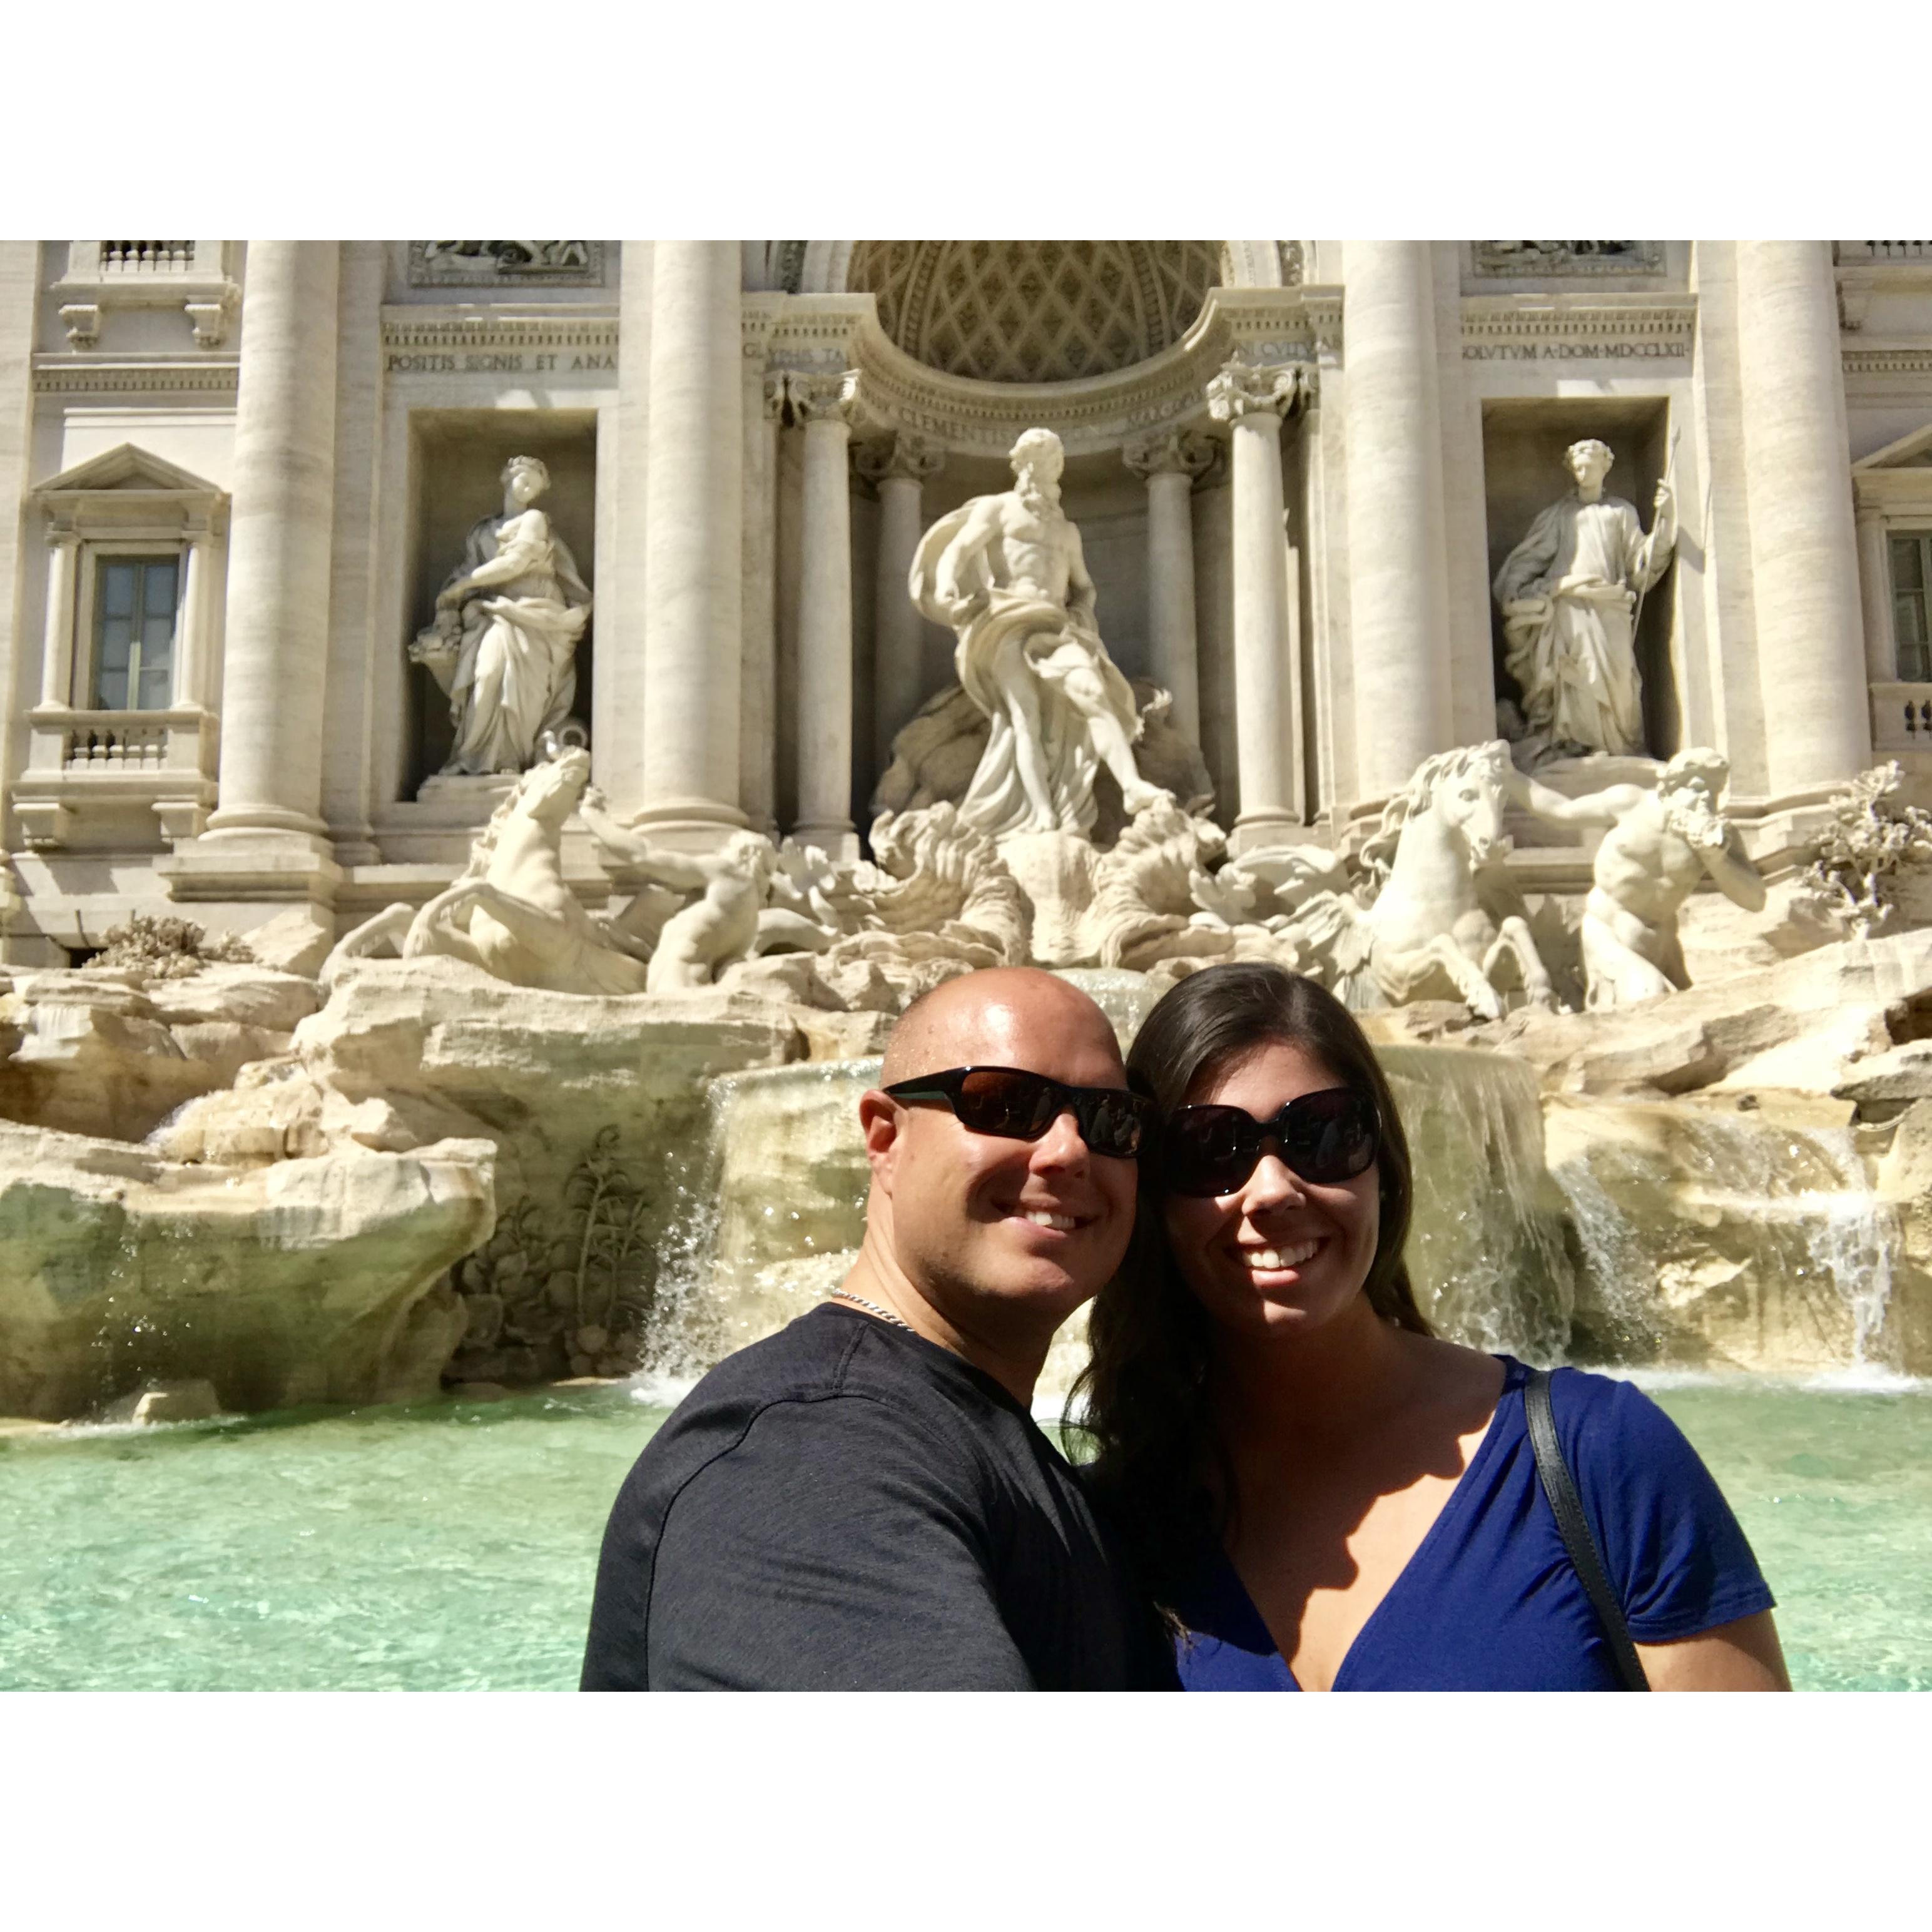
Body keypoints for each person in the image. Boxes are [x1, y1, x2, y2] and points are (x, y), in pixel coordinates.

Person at [1075, 960, 1789, 1691]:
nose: (1273, 1189)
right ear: (1151, 1197)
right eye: (1210, 1151)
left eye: (1320, 1135)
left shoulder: (1601, 1455)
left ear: (1380, 1165)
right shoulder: (1097, 1528)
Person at [581, 967, 1176, 1690]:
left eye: (1109, 1119)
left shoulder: (955, 1432)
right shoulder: (806, 1457)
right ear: (886, 1137)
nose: (1068, 1150)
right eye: (1007, 1102)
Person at [910, 427, 1167, 838]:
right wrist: (946, 588)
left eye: (1056, 463)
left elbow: (1083, 585)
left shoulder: (1066, 531)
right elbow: (959, 551)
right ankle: (1042, 814)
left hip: (1055, 627)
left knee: (1095, 694)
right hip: (1006, 621)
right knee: (1024, 717)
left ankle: (1132, 787)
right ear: (1024, 466)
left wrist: (1082, 610)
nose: (1052, 471)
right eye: (1045, 462)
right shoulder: (998, 509)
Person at [1502, 747, 1766, 1010]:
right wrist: (1510, 775)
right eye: (1698, 786)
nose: (1705, 798)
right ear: (1672, 784)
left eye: (1714, 791)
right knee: (1648, 993)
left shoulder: (1718, 836)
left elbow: (1755, 900)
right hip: (1608, 930)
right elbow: (1561, 811)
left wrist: (1717, 861)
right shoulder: (1632, 802)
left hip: (1662, 943)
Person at [1493, 437, 1675, 761]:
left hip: (1611, 605)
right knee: (1578, 673)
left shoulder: (1621, 512)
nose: (1582, 473)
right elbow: (1530, 558)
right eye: (1577, 468)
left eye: (1588, 467)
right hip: (1569, 603)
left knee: (1620, 682)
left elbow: (1641, 565)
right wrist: (1514, 590)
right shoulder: (1559, 515)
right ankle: (1574, 744)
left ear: (1604, 467)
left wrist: (1666, 521)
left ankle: (1619, 746)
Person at [410, 455, 591, 776]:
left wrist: (467, 583)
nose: (528, 489)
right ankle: (471, 758)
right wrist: (454, 591)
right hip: (493, 611)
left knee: (519, 687)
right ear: (507, 478)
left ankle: (511, 760)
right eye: (524, 480)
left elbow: (516, 563)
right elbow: (467, 568)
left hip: (534, 612)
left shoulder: (534, 520)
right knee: (488, 674)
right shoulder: (482, 530)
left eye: (534, 485)